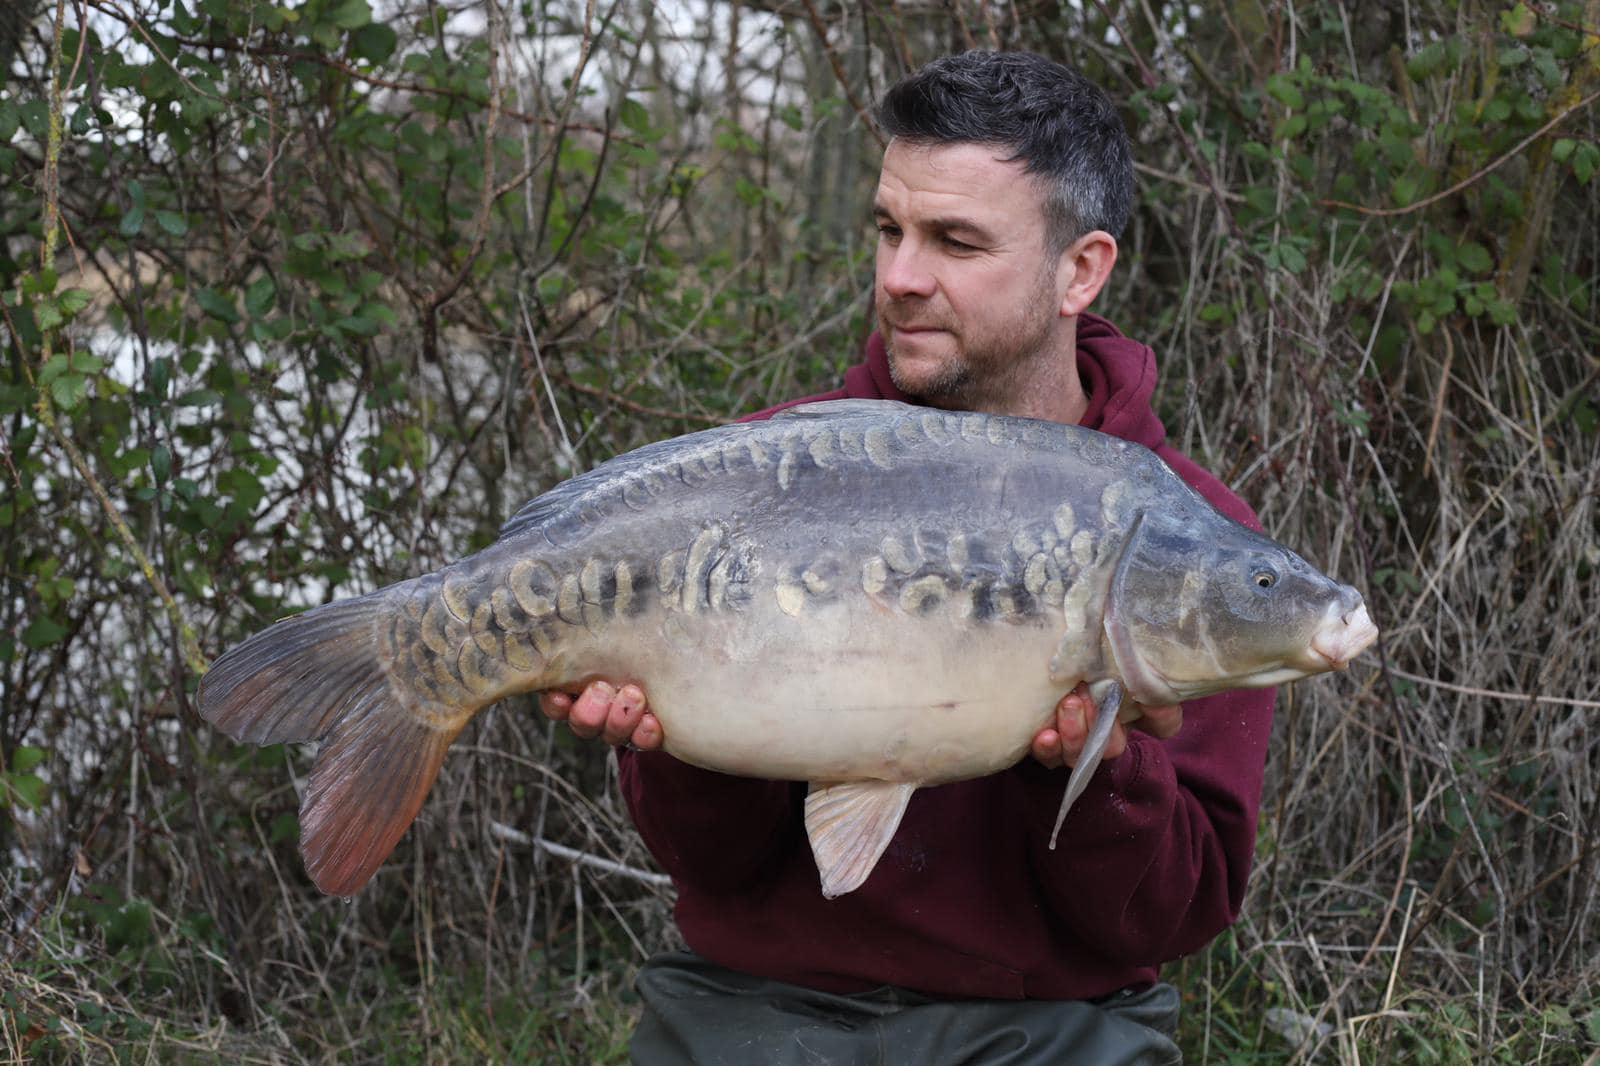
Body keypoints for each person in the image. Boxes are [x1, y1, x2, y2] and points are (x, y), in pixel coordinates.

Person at [540, 50, 1275, 1065]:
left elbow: (1171, 918)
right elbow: (712, 866)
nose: (899, 278)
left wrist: (1105, 768)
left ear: (1081, 270)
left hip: (1052, 1027)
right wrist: (670, 746)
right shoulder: (756, 481)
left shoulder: (1185, 543)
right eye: (889, 230)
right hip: (760, 1004)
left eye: (955, 242)